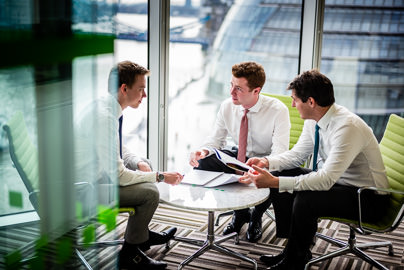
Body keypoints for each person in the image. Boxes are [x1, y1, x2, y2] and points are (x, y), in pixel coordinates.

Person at [241, 69, 390, 270]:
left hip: (369, 199)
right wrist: (267, 162)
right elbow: (297, 156)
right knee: (283, 174)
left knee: (305, 199)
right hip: (341, 185)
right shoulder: (314, 120)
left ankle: (295, 261)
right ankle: (293, 249)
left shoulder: (347, 128)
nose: (292, 105)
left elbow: (325, 180)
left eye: (295, 100)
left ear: (311, 102)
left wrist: (274, 182)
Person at [76, 61, 183, 270]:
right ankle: (130, 254)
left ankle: (140, 237)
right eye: (141, 89)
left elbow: (117, 148)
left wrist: (138, 162)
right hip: (82, 190)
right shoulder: (104, 116)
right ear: (124, 88)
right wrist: (160, 176)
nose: (145, 95)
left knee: (145, 164)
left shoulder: (107, 106)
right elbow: (120, 176)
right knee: (150, 193)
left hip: (94, 175)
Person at [189, 61, 290, 242]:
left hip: (265, 160)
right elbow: (215, 141)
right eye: (231, 85)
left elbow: (280, 152)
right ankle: (241, 212)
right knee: (205, 162)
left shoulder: (277, 110)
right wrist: (203, 151)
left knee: (274, 170)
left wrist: (263, 163)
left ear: (256, 91)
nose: (231, 93)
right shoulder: (227, 106)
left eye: (238, 89)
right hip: (239, 157)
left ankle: (256, 215)